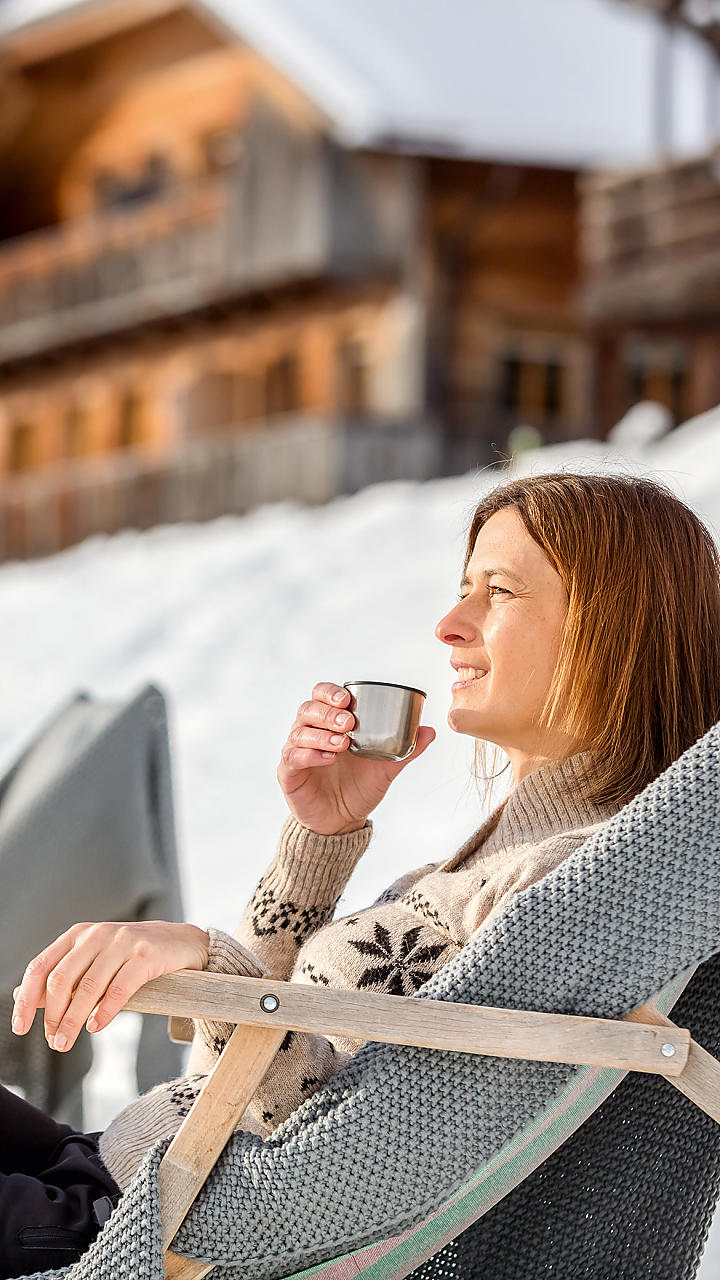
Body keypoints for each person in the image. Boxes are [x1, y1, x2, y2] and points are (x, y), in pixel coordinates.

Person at [5, 470, 720, 1277]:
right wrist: (322, 837)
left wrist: (210, 962)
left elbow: (367, 1158)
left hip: (139, 1229)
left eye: (498, 592)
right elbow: (231, 1086)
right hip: (131, 1173)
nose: (450, 625)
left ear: (615, 627)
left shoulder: (572, 890)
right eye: (463, 590)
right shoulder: (473, 872)